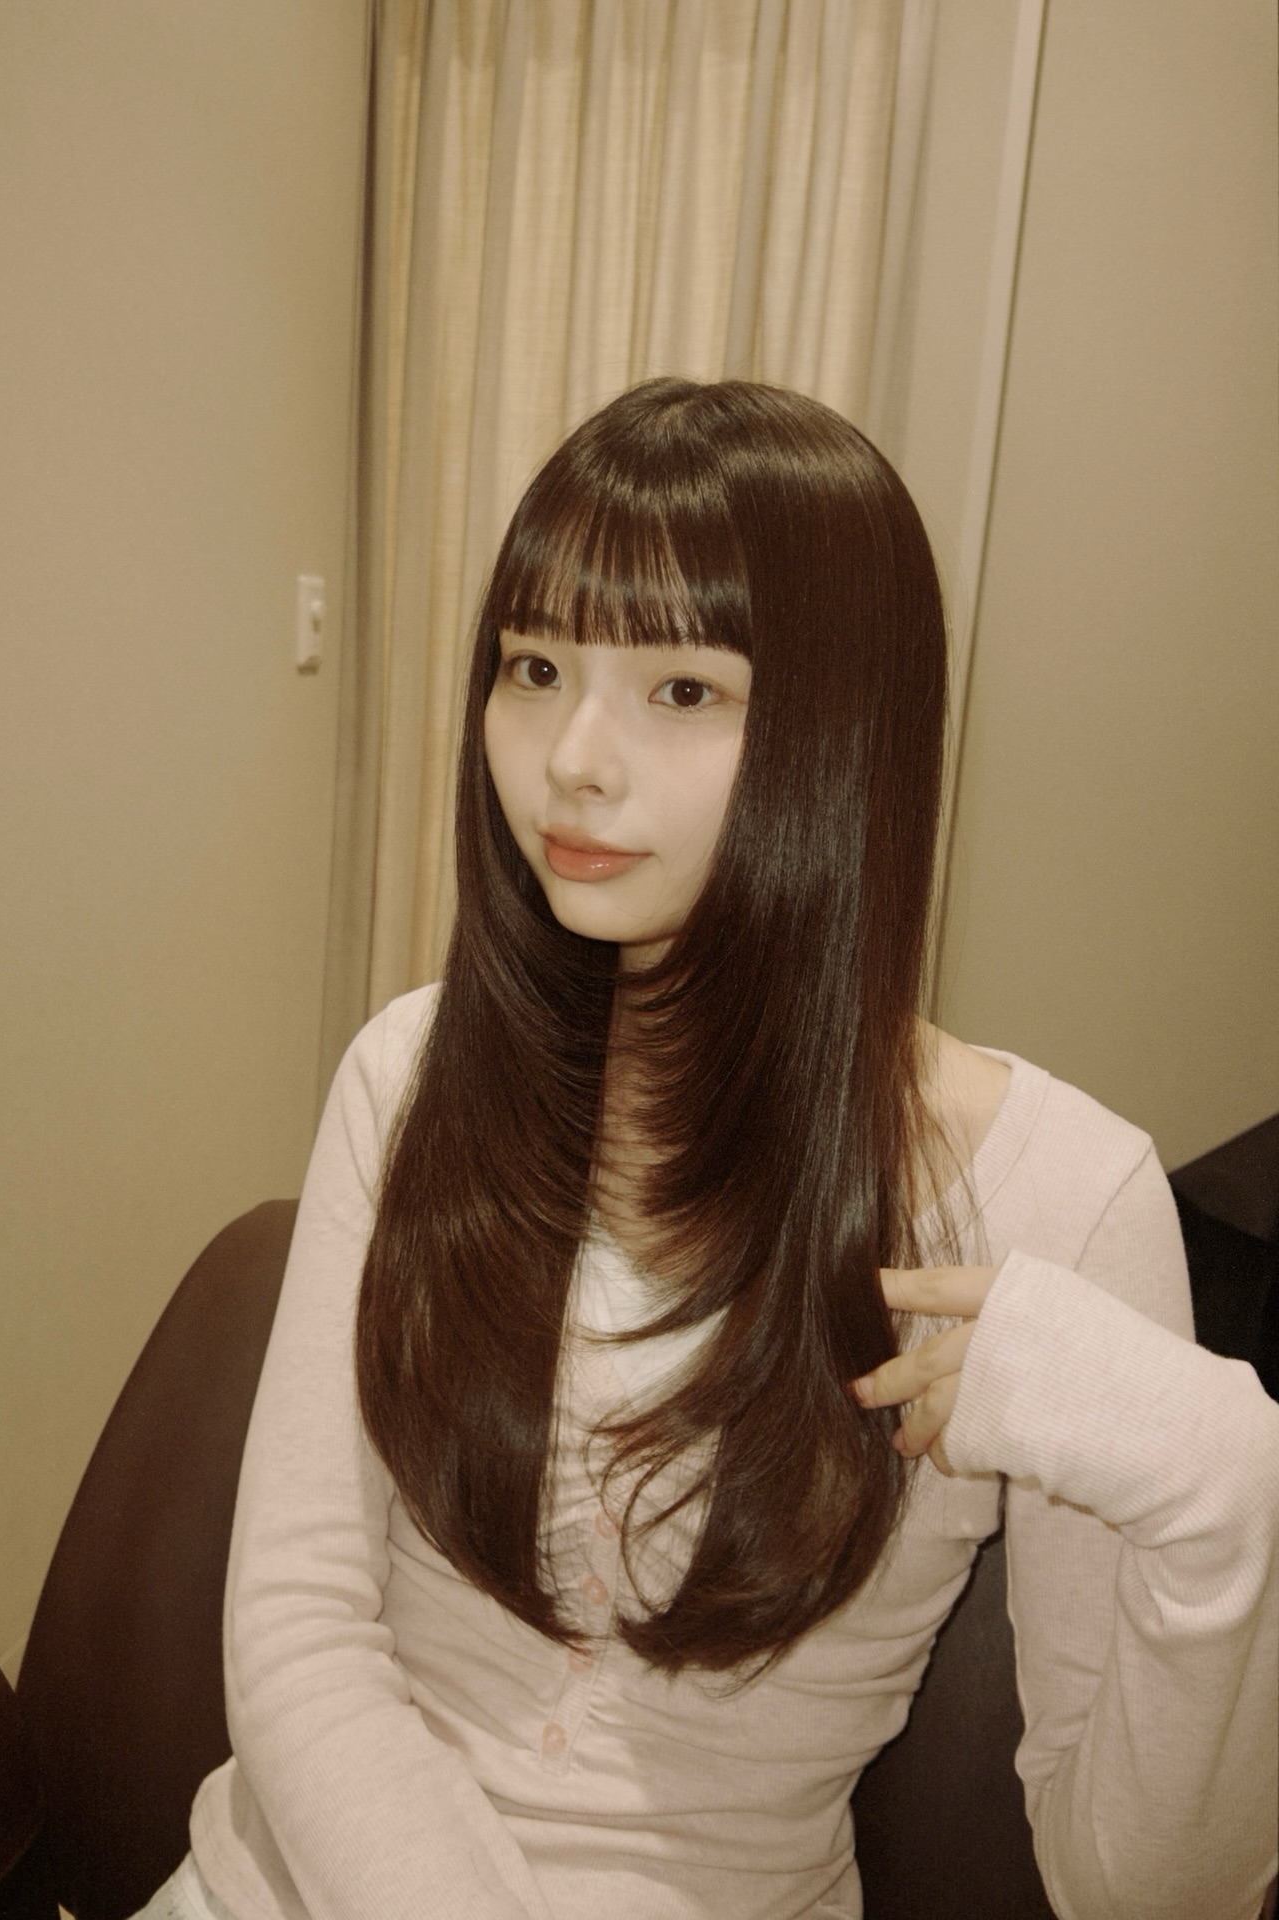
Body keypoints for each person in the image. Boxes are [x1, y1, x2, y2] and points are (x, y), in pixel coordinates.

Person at [135, 380, 1278, 1920]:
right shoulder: (410, 1075)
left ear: (844, 738)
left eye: (683, 689)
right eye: (536, 667)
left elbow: (1135, 1890)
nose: (573, 758)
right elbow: (297, 1635)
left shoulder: (1069, 1202)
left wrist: (1227, 1487)